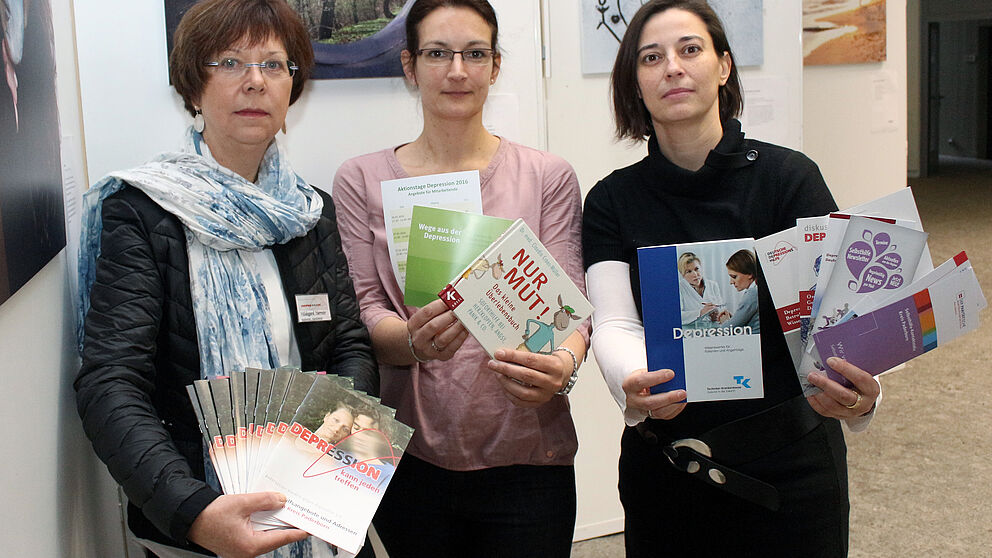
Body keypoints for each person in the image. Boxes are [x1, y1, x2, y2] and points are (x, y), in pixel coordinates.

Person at [73, 1, 377, 557]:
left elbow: (349, 344)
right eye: (231, 62)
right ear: (193, 87)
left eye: (274, 65)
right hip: (196, 523)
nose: (255, 82)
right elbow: (110, 384)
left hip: (313, 512)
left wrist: (337, 460)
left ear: (293, 87)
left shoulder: (310, 213)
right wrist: (193, 511)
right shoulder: (144, 212)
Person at [581, 1, 882, 556]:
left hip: (792, 467)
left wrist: (861, 395)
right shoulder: (610, 200)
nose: (672, 67)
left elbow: (839, 316)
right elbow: (616, 320)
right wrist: (637, 382)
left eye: (690, 49)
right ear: (635, 84)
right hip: (668, 462)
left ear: (722, 67)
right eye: (652, 57)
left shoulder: (790, 179)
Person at [333, 1, 589, 556]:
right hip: (407, 453)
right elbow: (364, 309)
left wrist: (562, 364)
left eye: (475, 54)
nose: (457, 71)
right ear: (409, 65)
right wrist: (409, 341)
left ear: (495, 66)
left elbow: (571, 308)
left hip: (528, 453)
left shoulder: (546, 176)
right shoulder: (362, 179)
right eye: (437, 54)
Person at [716, 248, 759, 332]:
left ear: (750, 274)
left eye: (734, 277)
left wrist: (725, 322)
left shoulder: (752, 293)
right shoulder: (755, 291)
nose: (731, 282)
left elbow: (727, 329)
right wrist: (733, 319)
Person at [676, 251, 724, 325]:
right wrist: (701, 312)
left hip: (713, 329)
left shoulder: (713, 285)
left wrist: (717, 314)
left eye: (696, 269)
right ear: (682, 274)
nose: (695, 274)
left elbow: (721, 307)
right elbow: (678, 316)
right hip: (691, 331)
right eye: (689, 271)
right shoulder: (679, 288)